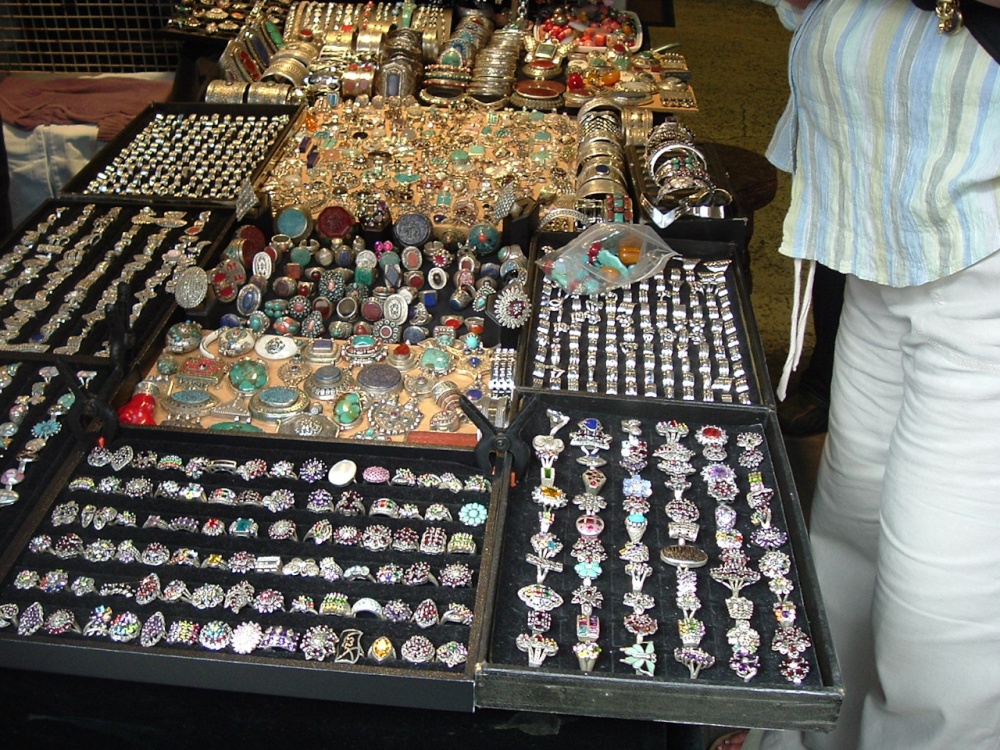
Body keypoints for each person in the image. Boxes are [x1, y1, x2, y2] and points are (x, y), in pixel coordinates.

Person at [723, 0, 1000, 749]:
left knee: (942, 614)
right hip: (879, 213)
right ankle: (812, 735)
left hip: (980, 239)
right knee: (846, 536)